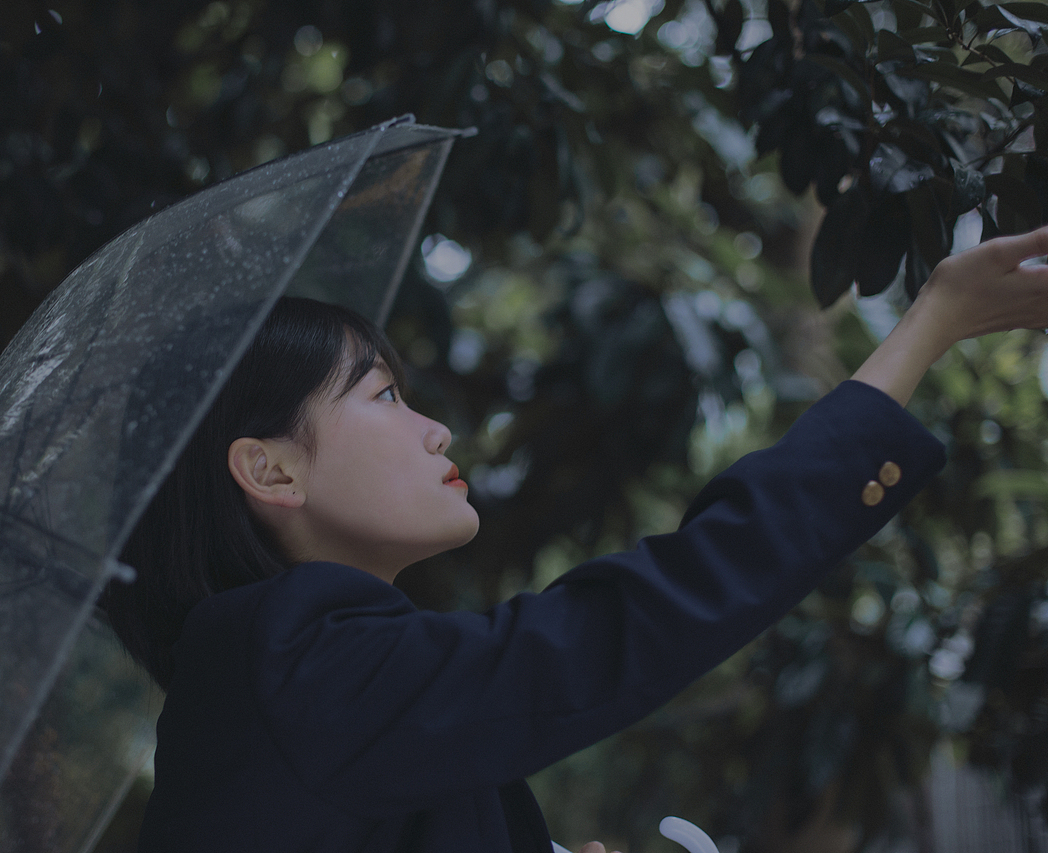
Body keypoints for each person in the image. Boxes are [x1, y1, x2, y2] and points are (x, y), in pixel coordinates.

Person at [99, 227, 1048, 852]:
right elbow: (632, 620)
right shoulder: (287, 652)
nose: (436, 428)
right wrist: (929, 326)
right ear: (269, 470)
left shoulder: (307, 680)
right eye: (383, 395)